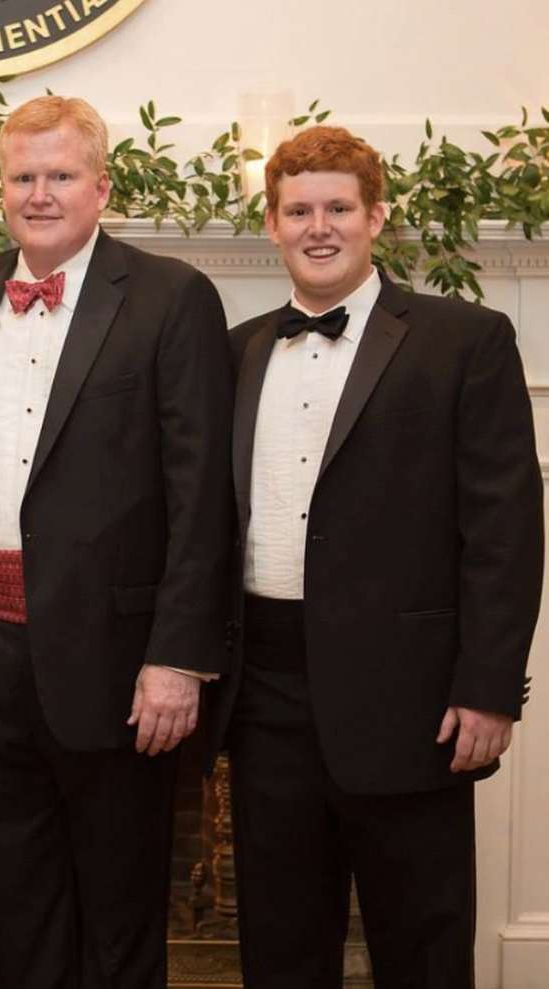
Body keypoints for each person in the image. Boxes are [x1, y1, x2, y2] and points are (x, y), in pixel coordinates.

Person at [207, 125, 543, 989]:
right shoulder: (237, 348)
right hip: (266, 697)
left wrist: (488, 686)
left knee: (422, 944)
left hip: (413, 697)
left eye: (339, 208)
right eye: (299, 210)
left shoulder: (464, 340)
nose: (319, 227)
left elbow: (505, 530)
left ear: (376, 217)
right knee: (280, 948)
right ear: (273, 224)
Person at [0, 96, 234, 989]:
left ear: (101, 187)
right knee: (13, 896)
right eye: (22, 177)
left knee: (118, 903)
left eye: (59, 176)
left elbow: (203, 492)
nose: (39, 194)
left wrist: (178, 655)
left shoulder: (172, 296)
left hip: (116, 659)